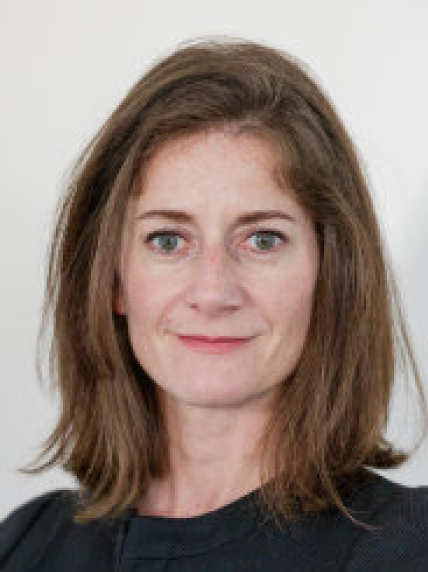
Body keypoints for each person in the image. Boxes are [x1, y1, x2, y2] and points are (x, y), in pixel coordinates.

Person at [1, 37, 428, 571]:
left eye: (263, 240)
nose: (212, 292)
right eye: (167, 240)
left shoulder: (407, 549)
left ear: (331, 276)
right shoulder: (25, 544)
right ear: (112, 280)